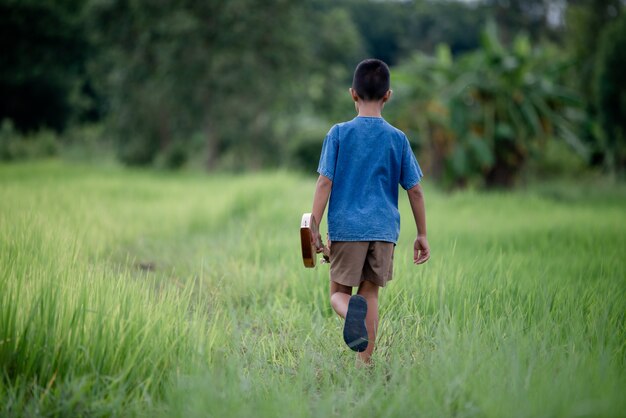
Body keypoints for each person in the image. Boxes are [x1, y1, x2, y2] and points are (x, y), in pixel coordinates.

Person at [310, 58, 430, 365]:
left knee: (339, 294)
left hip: (347, 228)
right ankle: (365, 364)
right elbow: (414, 189)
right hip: (384, 230)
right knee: (370, 294)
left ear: (352, 93)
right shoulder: (398, 139)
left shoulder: (338, 133)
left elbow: (325, 182)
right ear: (388, 95)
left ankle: (351, 311)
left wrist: (313, 226)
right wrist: (422, 234)